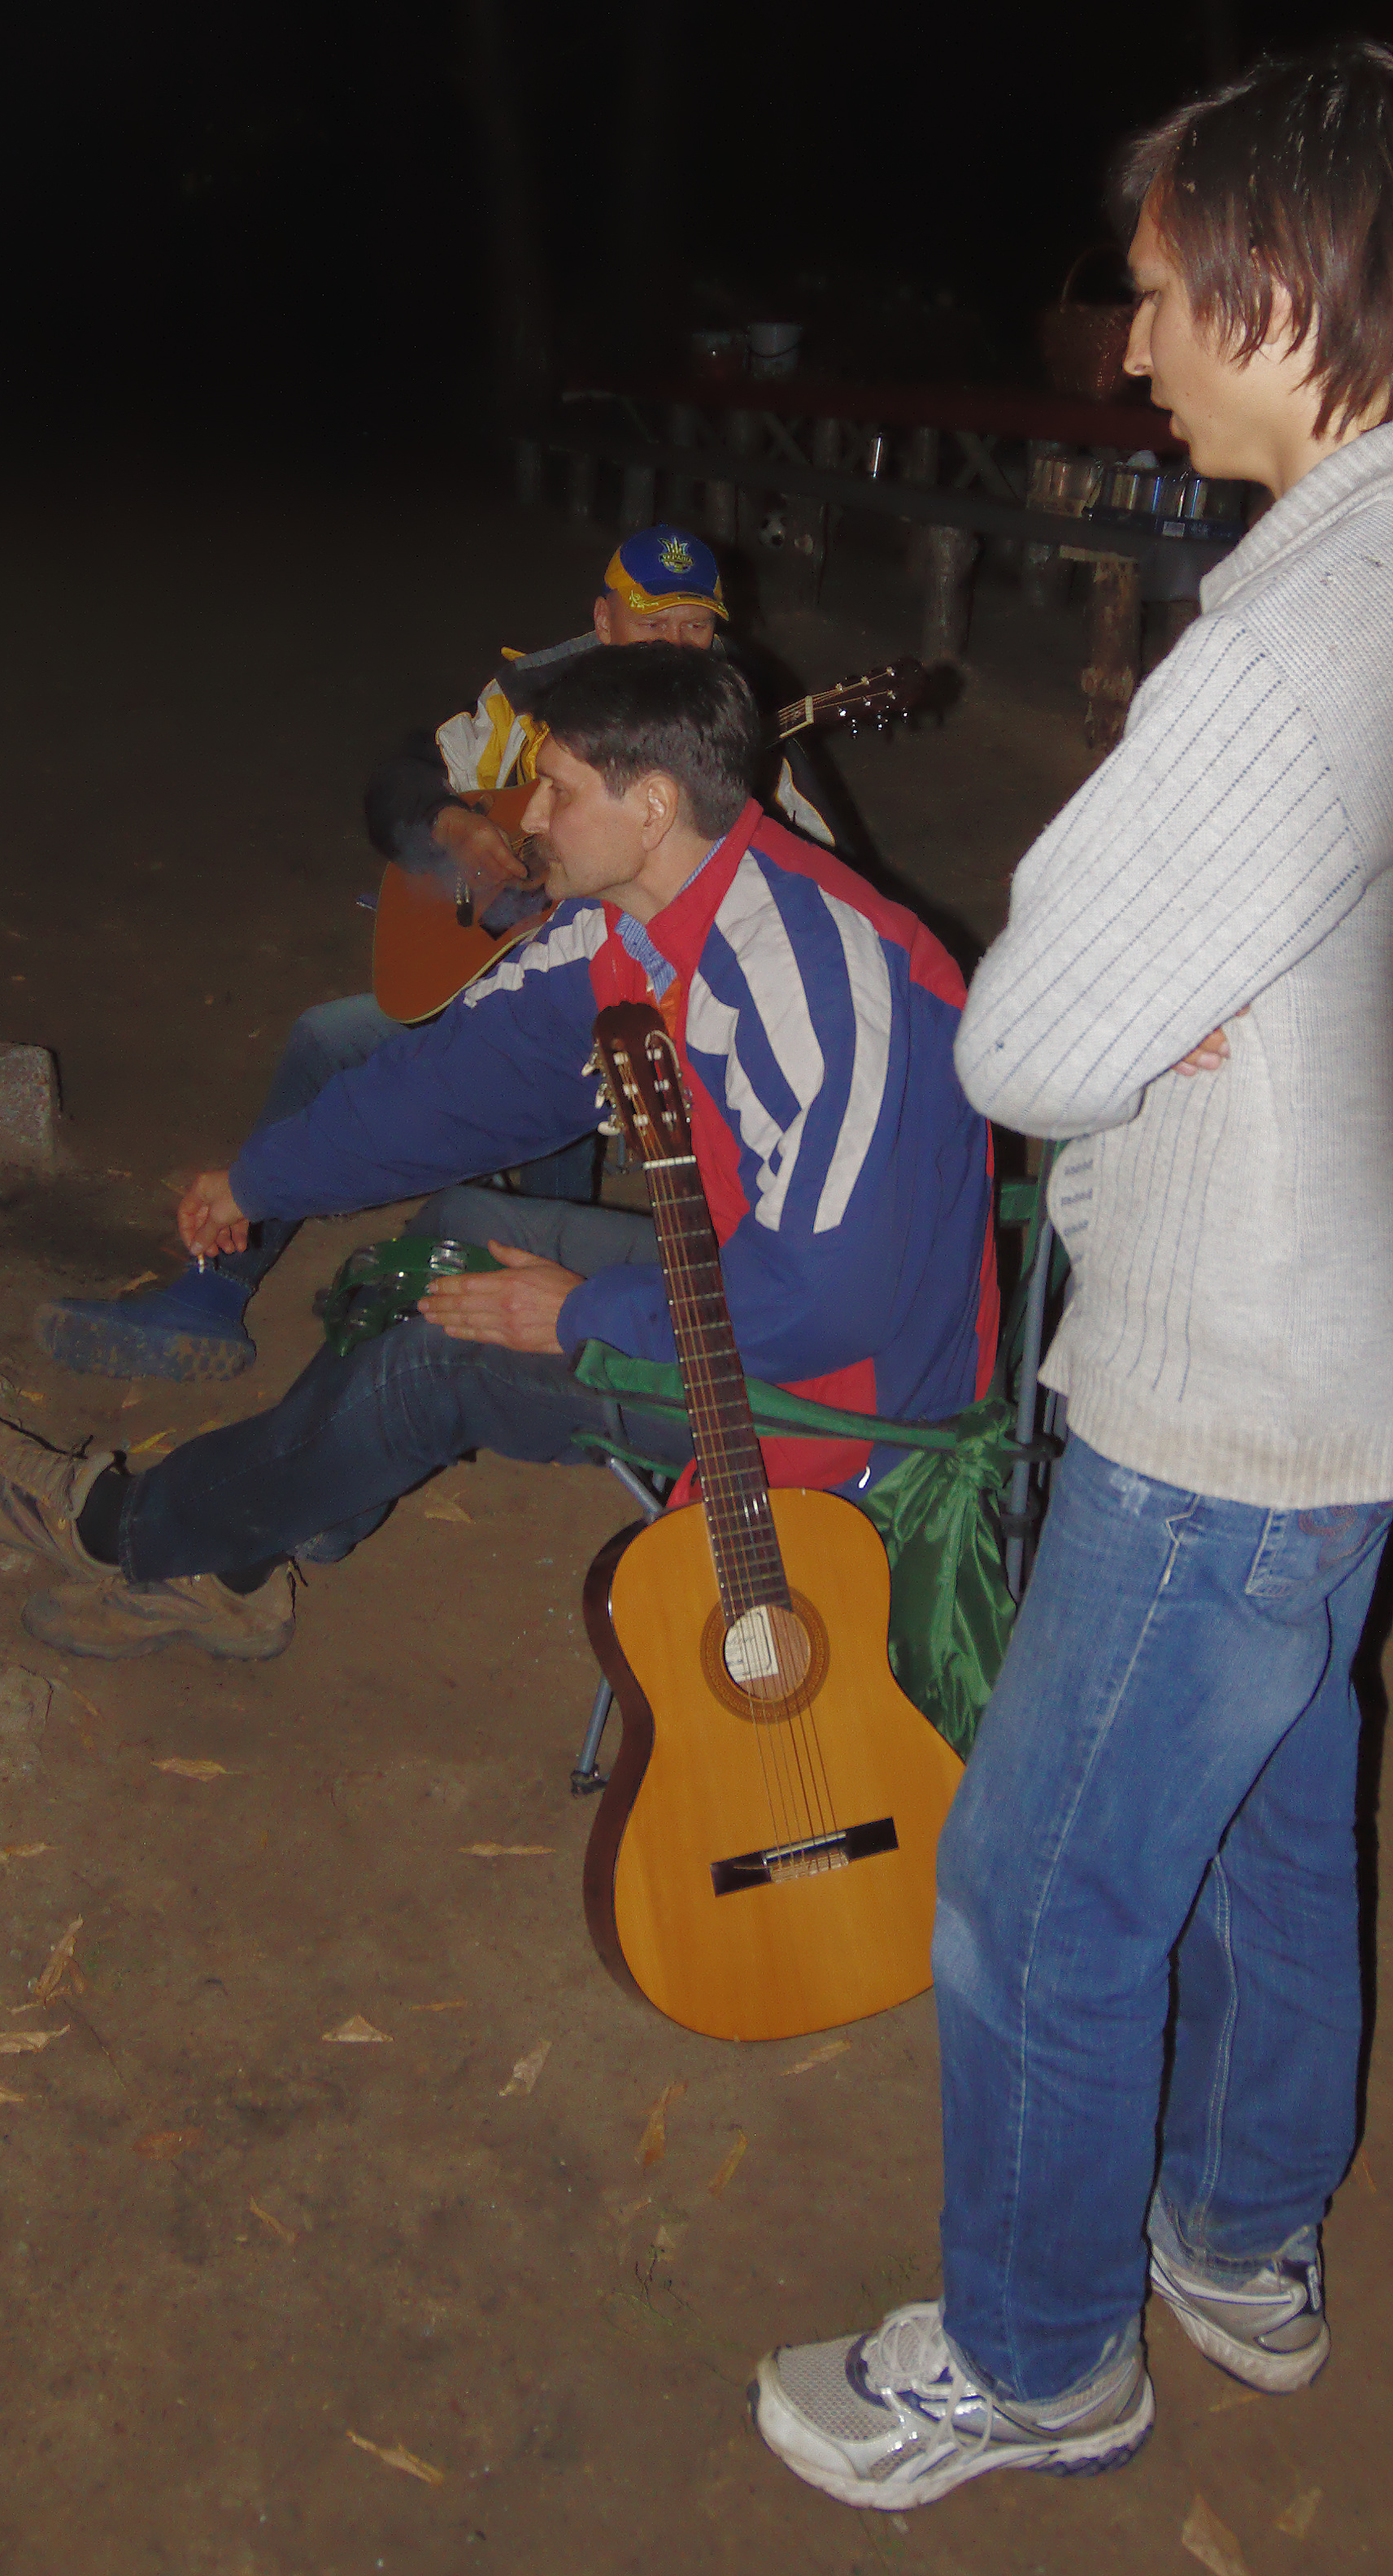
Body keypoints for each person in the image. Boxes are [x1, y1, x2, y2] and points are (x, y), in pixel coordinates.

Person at [751, 39, 1393, 2512]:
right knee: (1270, 1826)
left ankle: (1034, 2360)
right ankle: (1237, 2237)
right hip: (1348, 1368)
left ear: (1273, 287)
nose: (1122, 351)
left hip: (1222, 1394)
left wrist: (1104, 945)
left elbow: (1019, 1043)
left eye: (1149, 295)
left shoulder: (1274, 657)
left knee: (1037, 1893)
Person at [0, 646, 995, 1664]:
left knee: (441, 1363)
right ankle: (243, 1555)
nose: (529, 819)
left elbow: (834, 1303)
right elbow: (457, 1083)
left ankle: (125, 1531)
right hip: (761, 1285)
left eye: (558, 790)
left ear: (653, 809)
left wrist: (581, 1313)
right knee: (455, 1241)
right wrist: (259, 1181)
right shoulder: (633, 920)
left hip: (849, 1398)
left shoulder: (804, 986)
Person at [33, 524, 842, 1386]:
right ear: (604, 622)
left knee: (545, 1077)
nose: (677, 648)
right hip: (514, 976)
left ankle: (536, 1326)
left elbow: (818, 889)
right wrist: (454, 824)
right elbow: (399, 779)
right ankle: (209, 1292)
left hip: (642, 1012)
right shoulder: (528, 700)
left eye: (696, 627)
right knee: (328, 1039)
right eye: (654, 623)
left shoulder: (733, 738)